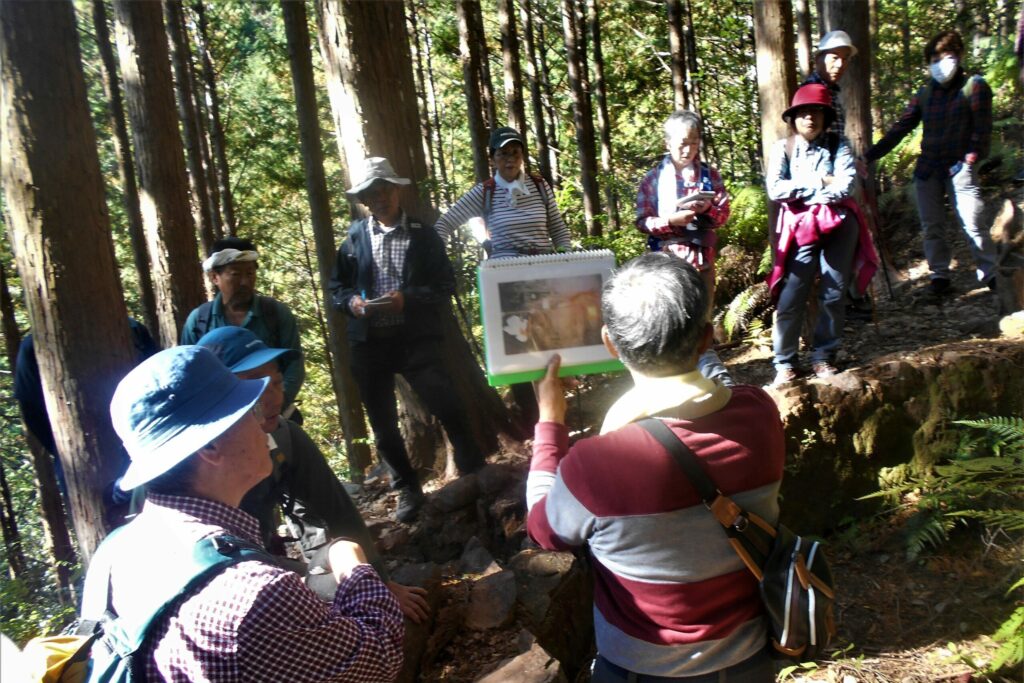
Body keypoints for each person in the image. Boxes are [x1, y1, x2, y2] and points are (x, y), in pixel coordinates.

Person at [526, 253, 785, 681]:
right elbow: (716, 398)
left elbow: (542, 529)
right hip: (752, 659)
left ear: (610, 343)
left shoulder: (596, 464)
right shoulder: (759, 413)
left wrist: (550, 423)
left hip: (641, 668)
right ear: (706, 340)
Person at [80, 346, 403, 681]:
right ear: (209, 447)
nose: (264, 424)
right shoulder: (253, 593)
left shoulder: (115, 552)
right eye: (248, 412)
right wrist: (351, 562)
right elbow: (379, 658)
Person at [196, 325, 429, 623]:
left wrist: (378, 582)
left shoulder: (284, 438)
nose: (273, 397)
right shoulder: (183, 464)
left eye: (277, 383)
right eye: (255, 384)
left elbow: (335, 512)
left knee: (336, 574)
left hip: (265, 569)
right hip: (212, 600)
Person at [329, 156, 485, 523]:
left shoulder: (423, 234)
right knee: (382, 425)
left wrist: (408, 298)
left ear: (397, 191)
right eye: (371, 192)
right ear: (364, 200)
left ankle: (474, 469)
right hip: (369, 342)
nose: (379, 197)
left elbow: (446, 284)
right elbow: (337, 288)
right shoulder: (354, 239)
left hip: (415, 338)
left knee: (446, 403)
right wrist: (352, 303)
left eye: (384, 189)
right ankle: (407, 490)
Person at [863, 30, 995, 297]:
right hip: (928, 170)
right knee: (931, 225)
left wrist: (971, 159)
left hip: (960, 168)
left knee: (973, 221)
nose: (940, 63)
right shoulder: (925, 94)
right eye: (935, 58)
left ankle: (990, 274)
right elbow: (901, 127)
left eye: (946, 56)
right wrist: (870, 155)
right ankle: (940, 276)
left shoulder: (975, 86)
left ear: (958, 56)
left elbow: (982, 129)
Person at [766, 84, 877, 386]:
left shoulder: (839, 145)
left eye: (816, 112)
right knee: (792, 293)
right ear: (794, 118)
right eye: (803, 113)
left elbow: (845, 186)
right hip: (801, 229)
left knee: (834, 291)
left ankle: (823, 356)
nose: (810, 118)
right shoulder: (783, 149)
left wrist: (801, 189)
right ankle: (785, 362)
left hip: (839, 226)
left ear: (825, 116)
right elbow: (776, 189)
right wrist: (819, 181)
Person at [635, 109, 734, 387]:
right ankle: (677, 378)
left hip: (702, 258)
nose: (687, 149)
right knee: (675, 319)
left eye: (693, 142)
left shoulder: (708, 176)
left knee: (702, 319)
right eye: (681, 143)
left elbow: (723, 213)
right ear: (667, 143)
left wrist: (708, 209)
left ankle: (712, 378)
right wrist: (669, 220)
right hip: (669, 263)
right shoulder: (653, 180)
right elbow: (642, 221)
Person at [180, 236, 306, 412]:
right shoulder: (200, 320)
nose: (245, 282)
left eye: (250, 273)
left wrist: (275, 403)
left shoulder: (275, 313)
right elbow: (189, 373)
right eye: (236, 274)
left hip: (274, 414)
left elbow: (294, 367)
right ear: (215, 277)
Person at [433, 126, 570, 260]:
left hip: (544, 269)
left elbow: (558, 230)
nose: (510, 159)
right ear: (492, 160)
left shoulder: (539, 185)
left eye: (515, 152)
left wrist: (564, 256)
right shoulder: (484, 192)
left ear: (522, 156)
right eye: (503, 153)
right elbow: (444, 224)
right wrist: (438, 260)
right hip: (503, 275)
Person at [802, 30, 857, 139]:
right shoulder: (810, 92)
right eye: (835, 57)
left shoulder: (832, 92)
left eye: (845, 59)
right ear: (818, 59)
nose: (840, 64)